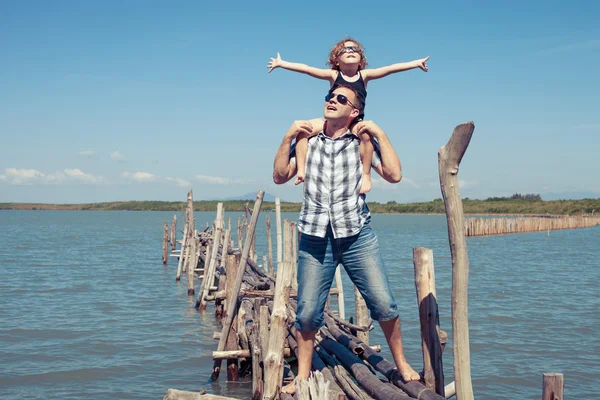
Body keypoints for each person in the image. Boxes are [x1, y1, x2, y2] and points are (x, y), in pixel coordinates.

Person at [273, 85, 420, 395]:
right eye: (330, 97)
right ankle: (302, 375)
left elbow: (394, 175)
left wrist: (379, 132)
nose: (332, 101)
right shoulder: (306, 139)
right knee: (308, 311)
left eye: (341, 99)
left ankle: (402, 363)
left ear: (354, 111)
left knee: (383, 303)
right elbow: (279, 175)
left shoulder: (362, 141)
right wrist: (287, 137)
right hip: (315, 236)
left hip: (356, 234)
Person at [268, 37, 428, 194]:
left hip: (355, 121)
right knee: (304, 129)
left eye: (354, 49)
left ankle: (366, 175)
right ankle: (301, 169)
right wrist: (282, 64)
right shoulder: (333, 75)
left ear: (361, 60)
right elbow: (306, 69)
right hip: (329, 120)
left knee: (366, 133)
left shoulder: (364, 76)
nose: (350, 51)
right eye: (345, 50)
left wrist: (415, 63)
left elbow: (391, 69)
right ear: (336, 60)